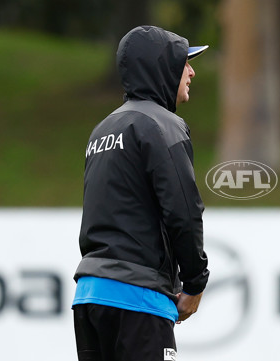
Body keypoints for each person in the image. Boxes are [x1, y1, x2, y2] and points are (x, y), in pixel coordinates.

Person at [72, 25, 210, 361]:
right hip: (137, 298)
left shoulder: (102, 129)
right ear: (160, 68)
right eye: (184, 63)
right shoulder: (162, 125)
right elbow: (184, 212)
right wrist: (195, 284)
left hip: (89, 296)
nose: (191, 71)